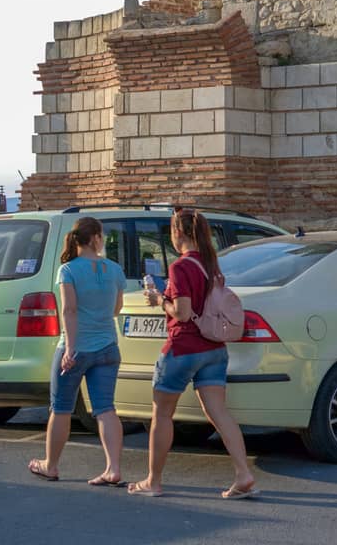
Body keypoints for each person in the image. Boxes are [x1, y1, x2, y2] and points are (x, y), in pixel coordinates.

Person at [128, 206, 256, 500]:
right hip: (214, 349)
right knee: (220, 414)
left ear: (178, 232)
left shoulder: (180, 267)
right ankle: (243, 474)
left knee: (162, 415)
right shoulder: (211, 264)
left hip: (183, 348)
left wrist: (160, 299)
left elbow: (183, 313)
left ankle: (153, 481)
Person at [28, 215, 126, 486]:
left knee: (60, 408)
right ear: (95, 238)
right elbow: (116, 309)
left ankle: (51, 465)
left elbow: (69, 310)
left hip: (75, 348)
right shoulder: (114, 269)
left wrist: (70, 348)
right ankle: (113, 468)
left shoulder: (68, 270)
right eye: (102, 235)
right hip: (108, 347)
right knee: (106, 409)